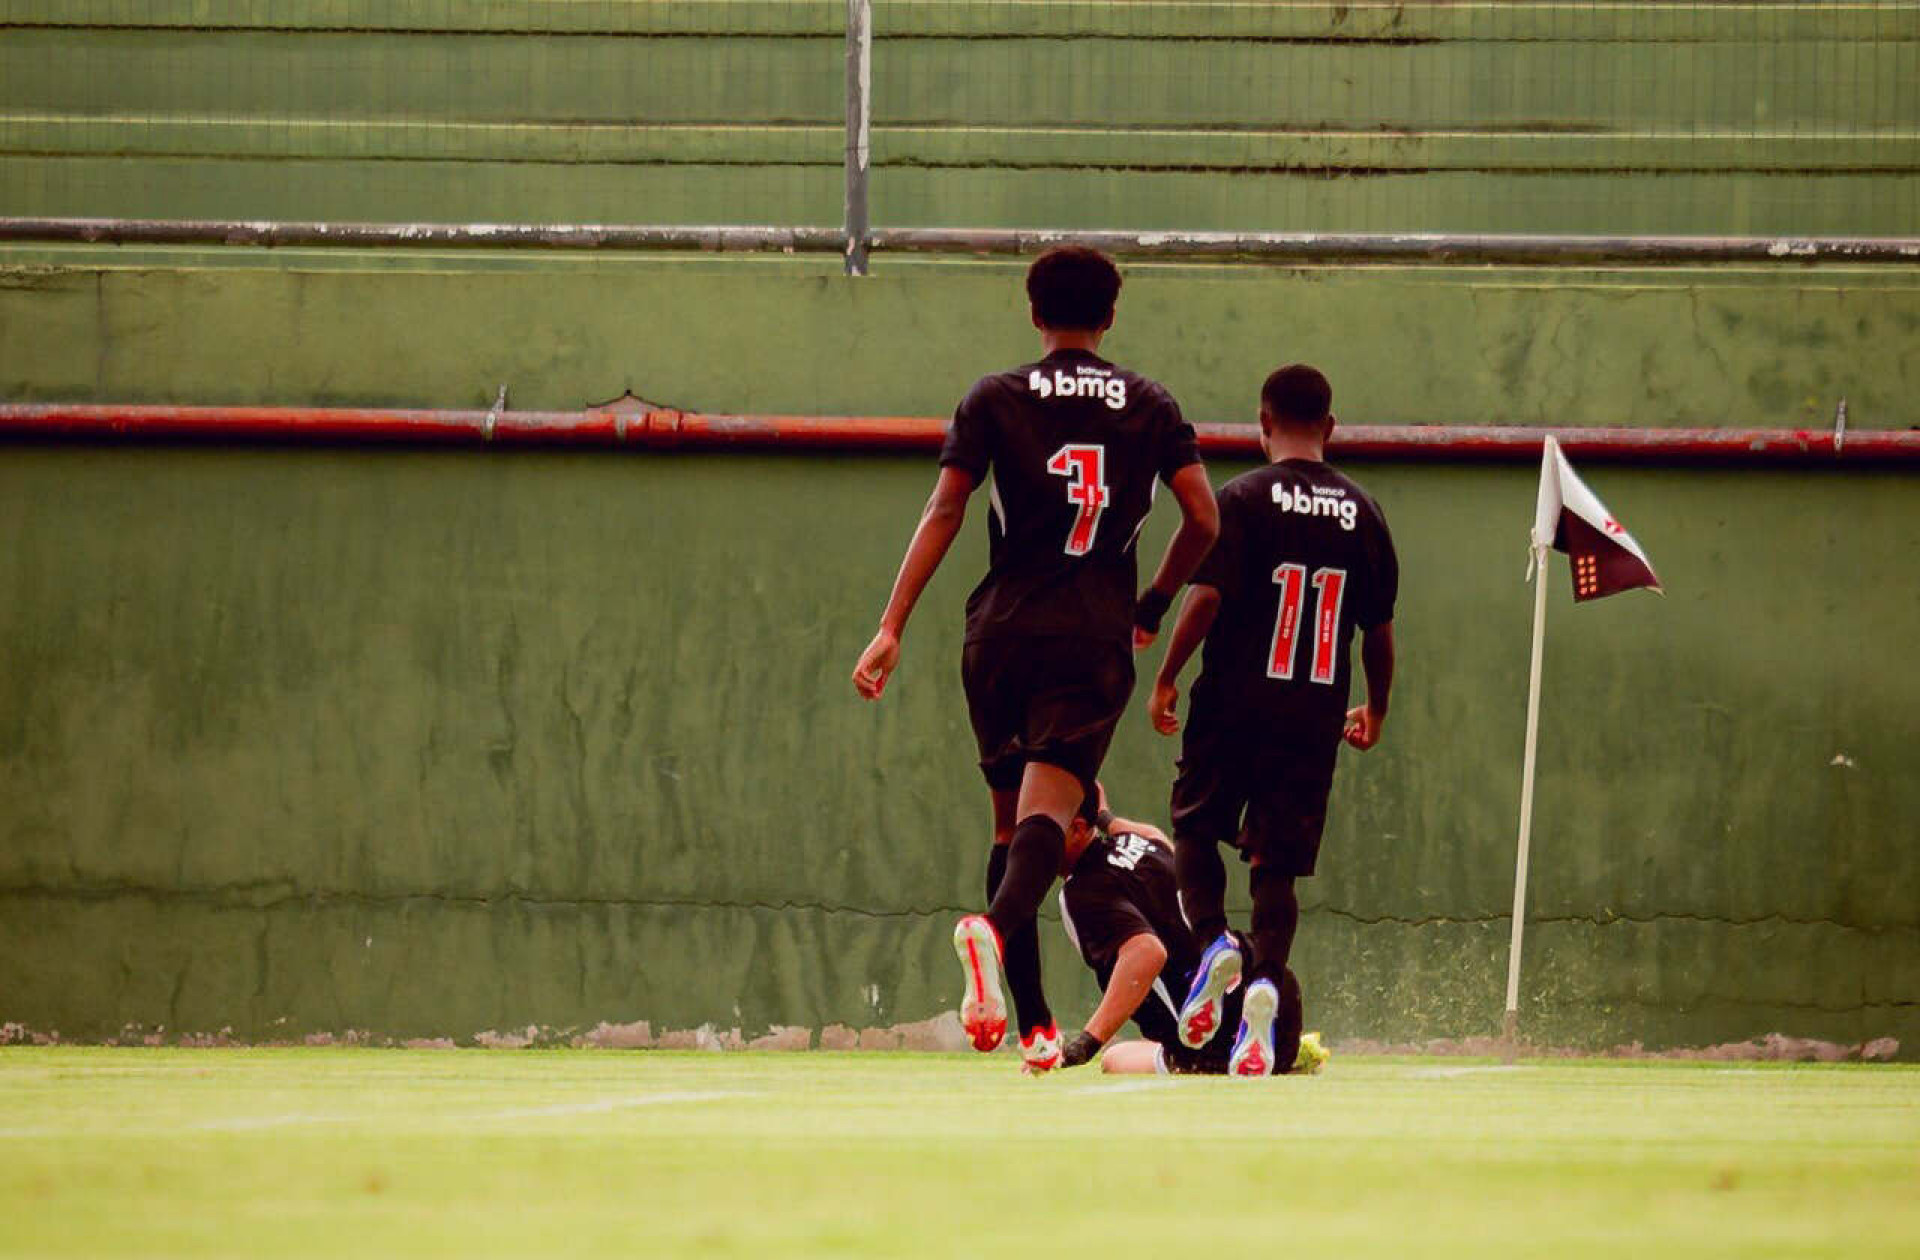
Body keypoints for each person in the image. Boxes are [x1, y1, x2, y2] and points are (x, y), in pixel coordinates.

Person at [852, 245, 1218, 1071]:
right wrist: (1152, 606)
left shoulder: (993, 395)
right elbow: (1203, 519)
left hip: (1000, 628)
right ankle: (991, 931)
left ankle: (1038, 1024)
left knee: (1007, 824)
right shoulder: (1151, 403)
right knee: (1048, 823)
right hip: (1088, 632)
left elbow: (947, 506)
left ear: (1032, 314)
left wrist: (891, 625)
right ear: (1112, 317)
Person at [1148, 364, 1397, 1076]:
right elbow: (1376, 632)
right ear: (1331, 427)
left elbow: (1204, 600)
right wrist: (1375, 708)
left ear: (1262, 425)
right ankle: (1262, 987)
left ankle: (1216, 944)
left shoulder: (1242, 498)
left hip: (1232, 702)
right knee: (1276, 865)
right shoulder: (1364, 512)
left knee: (1196, 828)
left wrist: (1166, 677)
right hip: (1312, 712)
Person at [1051, 787, 1328, 1076]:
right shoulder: (1143, 842)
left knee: (1114, 1058)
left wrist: (1084, 1044)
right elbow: (1155, 835)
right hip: (1277, 991)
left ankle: (1219, 1049)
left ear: (1079, 828)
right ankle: (1279, 1047)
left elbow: (1145, 953)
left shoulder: (1080, 892)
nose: (1030, 843)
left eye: (1040, 828)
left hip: (1215, 1042)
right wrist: (1105, 817)